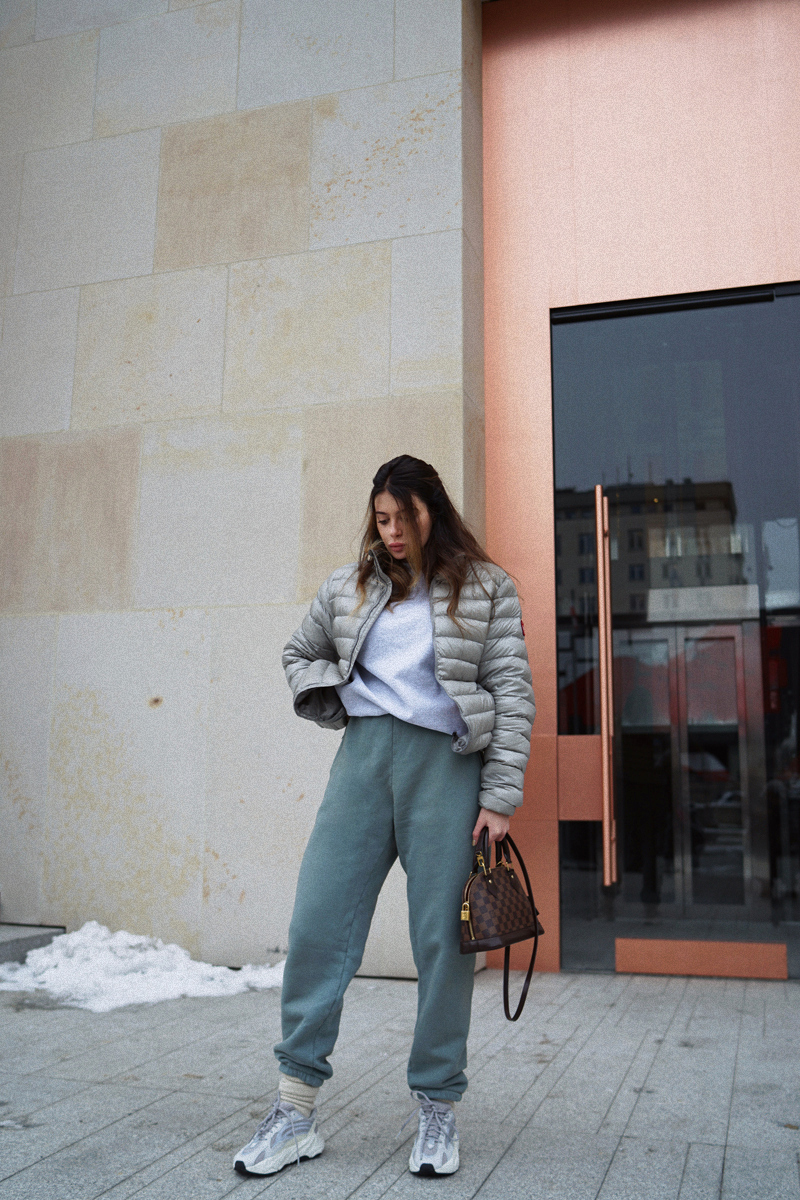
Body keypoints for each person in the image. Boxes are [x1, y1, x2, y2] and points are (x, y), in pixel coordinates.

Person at [234, 454, 535, 1179]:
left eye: (404, 517)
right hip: (363, 763)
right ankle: (295, 1108)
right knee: (318, 923)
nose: (392, 532)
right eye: (381, 519)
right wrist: (335, 693)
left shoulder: (487, 587)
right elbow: (300, 652)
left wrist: (499, 798)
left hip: (447, 770)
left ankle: (437, 1105)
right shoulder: (351, 585)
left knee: (442, 942)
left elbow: (511, 689)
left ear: (434, 510)